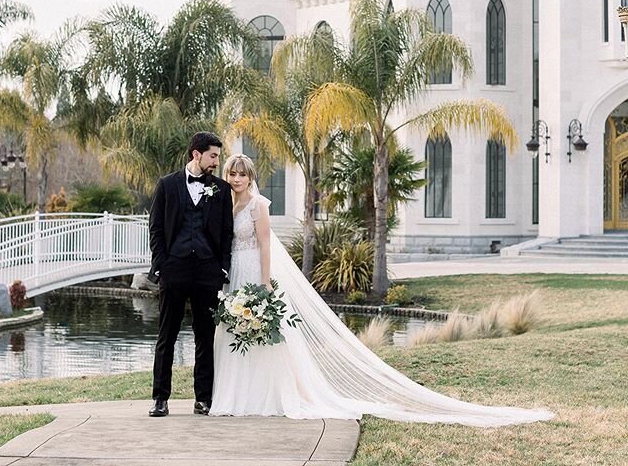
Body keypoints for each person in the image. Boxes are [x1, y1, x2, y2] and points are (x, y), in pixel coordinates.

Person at [211, 154, 553, 426]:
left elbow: (266, 245)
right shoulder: (228, 205)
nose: (237, 179)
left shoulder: (258, 206)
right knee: (236, 330)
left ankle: (270, 395)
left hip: (255, 269)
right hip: (235, 273)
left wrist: (267, 282)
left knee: (268, 335)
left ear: (252, 178)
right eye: (233, 174)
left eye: (243, 174)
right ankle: (237, 395)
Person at [147, 131, 233, 418]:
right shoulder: (167, 185)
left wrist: (222, 267)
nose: (216, 162)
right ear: (196, 154)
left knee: (204, 337)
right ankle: (160, 398)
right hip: (174, 268)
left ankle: (203, 399)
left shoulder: (221, 189)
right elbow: (156, 228)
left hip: (207, 272)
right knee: (166, 336)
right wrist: (160, 264)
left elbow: (225, 232)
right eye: (213, 156)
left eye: (218, 157)